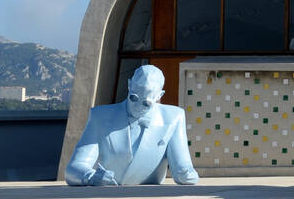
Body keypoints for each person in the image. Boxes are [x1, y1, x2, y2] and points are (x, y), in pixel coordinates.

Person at [65, 64, 199, 186]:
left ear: (160, 95)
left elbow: (182, 165)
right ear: (129, 85)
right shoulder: (100, 116)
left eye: (146, 103)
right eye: (133, 98)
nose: (138, 106)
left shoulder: (173, 117)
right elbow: (74, 168)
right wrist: (91, 177)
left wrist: (186, 174)